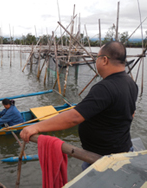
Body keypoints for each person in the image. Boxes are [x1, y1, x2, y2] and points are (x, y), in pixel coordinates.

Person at [20, 41, 138, 170]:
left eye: (97, 58)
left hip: (103, 160)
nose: (96, 61)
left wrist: (36, 127)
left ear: (104, 60)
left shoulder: (105, 87)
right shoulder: (131, 83)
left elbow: (75, 117)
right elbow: (131, 114)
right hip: (124, 150)